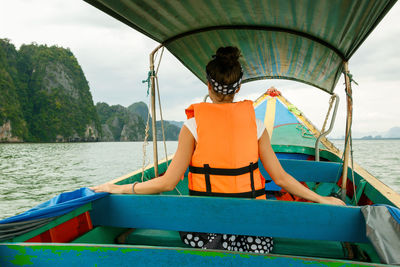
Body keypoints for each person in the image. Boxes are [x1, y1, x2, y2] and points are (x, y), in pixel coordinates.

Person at [90, 46, 345, 253]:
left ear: (209, 86)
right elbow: (281, 179)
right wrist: (322, 199)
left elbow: (168, 183)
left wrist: (119, 188)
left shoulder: (192, 126)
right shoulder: (256, 126)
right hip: (251, 230)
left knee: (200, 236)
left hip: (203, 228)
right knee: (259, 237)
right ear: (239, 87)